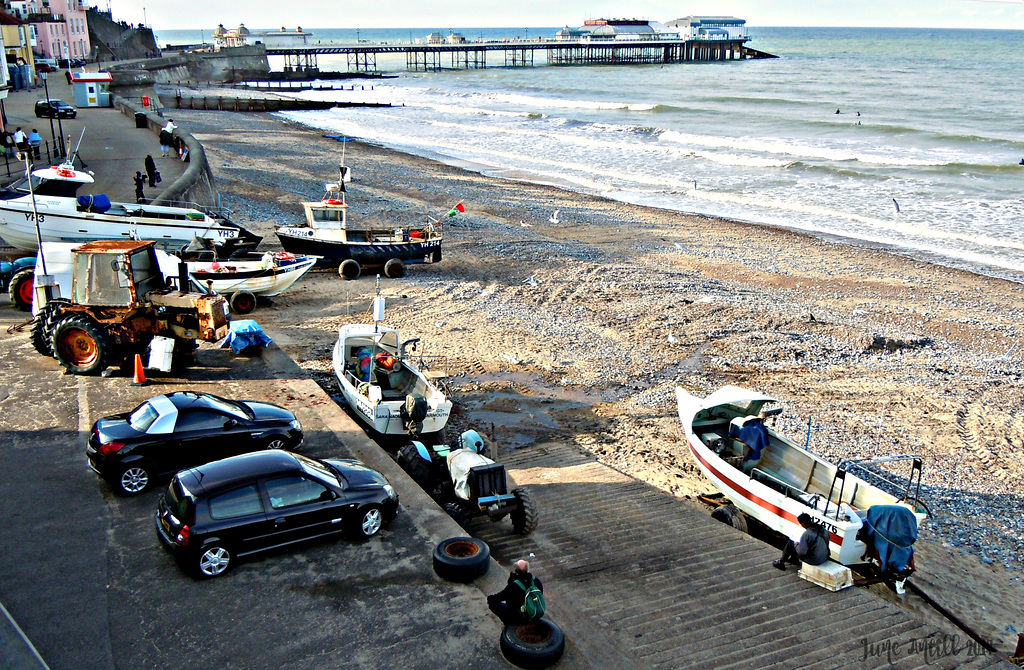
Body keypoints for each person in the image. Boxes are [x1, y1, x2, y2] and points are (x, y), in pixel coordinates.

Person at [487, 559, 543, 625]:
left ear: (516, 571)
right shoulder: (536, 581)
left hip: (519, 617)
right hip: (533, 612)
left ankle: (509, 624)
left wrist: (489, 598)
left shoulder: (513, 586)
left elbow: (499, 597)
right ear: (528, 569)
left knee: (492, 604)